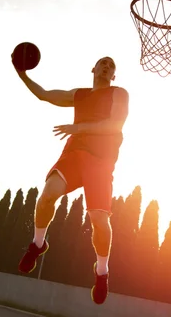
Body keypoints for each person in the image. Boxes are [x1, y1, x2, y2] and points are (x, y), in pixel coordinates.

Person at [14, 55, 129, 305]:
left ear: (113, 75)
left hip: (101, 161)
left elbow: (114, 125)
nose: (106, 66)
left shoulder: (119, 93)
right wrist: (22, 74)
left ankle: (101, 272)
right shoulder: (79, 95)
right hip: (74, 154)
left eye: (111, 66)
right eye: (102, 63)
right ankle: (38, 244)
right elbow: (44, 95)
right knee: (47, 196)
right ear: (94, 69)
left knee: (99, 220)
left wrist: (79, 128)